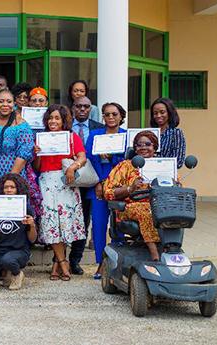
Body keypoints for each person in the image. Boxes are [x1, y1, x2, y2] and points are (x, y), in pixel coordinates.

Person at [32, 104, 87, 281]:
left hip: (66, 182)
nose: (53, 121)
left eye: (57, 118)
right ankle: (63, 261)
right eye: (50, 118)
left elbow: (82, 157)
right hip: (47, 182)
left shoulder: (71, 137)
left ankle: (56, 263)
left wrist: (73, 166)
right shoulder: (41, 138)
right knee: (51, 222)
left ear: (64, 120)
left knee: (64, 223)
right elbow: (37, 168)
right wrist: (37, 154)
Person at [104, 131, 161, 261]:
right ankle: (155, 254)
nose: (143, 147)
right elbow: (107, 192)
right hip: (130, 207)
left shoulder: (162, 165)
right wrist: (130, 188)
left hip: (159, 205)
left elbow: (178, 185)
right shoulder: (125, 166)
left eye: (148, 144)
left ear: (155, 147)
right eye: (139, 145)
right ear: (135, 148)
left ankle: (171, 249)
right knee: (146, 210)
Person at [85, 102, 127, 279]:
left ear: (121, 116)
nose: (110, 117)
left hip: (120, 187)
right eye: (107, 114)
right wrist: (98, 183)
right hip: (99, 186)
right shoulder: (95, 134)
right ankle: (101, 263)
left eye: (114, 114)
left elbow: (127, 161)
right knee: (99, 225)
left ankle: (118, 262)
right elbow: (88, 159)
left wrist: (112, 156)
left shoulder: (126, 135)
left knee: (119, 224)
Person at [68, 96, 104, 275]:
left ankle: (75, 260)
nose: (82, 109)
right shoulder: (64, 127)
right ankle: (57, 259)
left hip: (90, 180)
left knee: (84, 221)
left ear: (90, 109)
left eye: (86, 107)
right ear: (73, 108)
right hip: (68, 179)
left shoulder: (99, 128)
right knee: (66, 218)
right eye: (78, 106)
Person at [0, 89, 34, 202]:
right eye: (1, 101)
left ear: (14, 104)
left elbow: (24, 154)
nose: (5, 104)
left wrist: (10, 179)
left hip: (14, 173)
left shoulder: (22, 125)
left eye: (9, 101)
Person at [150, 97, 186, 169]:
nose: (158, 116)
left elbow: (178, 161)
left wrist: (156, 162)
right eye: (155, 113)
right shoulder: (149, 133)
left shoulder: (176, 133)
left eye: (162, 112)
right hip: (146, 175)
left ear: (169, 113)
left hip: (167, 175)